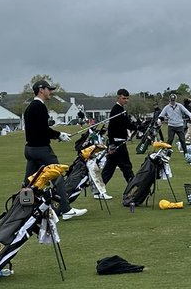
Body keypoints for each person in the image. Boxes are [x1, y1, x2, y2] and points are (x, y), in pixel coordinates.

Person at [22, 80, 87, 220]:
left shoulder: (30, 107)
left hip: (30, 149)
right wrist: (59, 135)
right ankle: (66, 209)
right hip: (41, 150)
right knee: (57, 177)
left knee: (29, 182)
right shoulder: (39, 107)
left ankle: (23, 209)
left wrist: (56, 136)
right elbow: (42, 129)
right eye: (48, 89)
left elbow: (38, 131)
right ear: (41, 90)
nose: (50, 92)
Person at [100, 88, 135, 193]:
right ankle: (134, 186)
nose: (126, 100)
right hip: (117, 143)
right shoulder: (116, 110)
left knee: (109, 168)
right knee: (126, 166)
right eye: (124, 98)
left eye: (127, 98)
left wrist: (138, 127)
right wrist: (111, 143)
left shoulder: (122, 110)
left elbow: (127, 124)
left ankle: (98, 189)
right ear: (118, 97)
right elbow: (111, 128)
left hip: (119, 142)